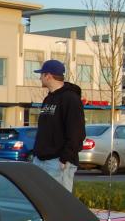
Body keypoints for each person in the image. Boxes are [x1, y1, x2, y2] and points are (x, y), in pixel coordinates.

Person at [31, 59, 85, 192]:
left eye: (41, 74)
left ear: (48, 76)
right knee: (41, 201)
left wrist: (65, 158)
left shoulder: (71, 99)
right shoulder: (48, 99)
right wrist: (37, 154)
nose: (39, 78)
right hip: (41, 161)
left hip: (58, 162)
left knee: (59, 202)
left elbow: (77, 133)